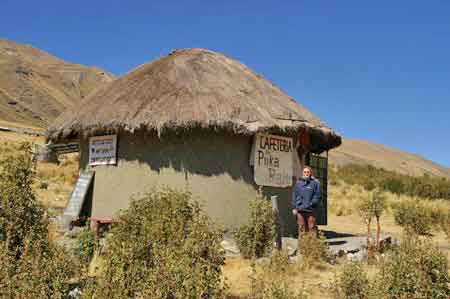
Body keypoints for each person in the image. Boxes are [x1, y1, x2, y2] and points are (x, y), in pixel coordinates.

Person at [291, 166, 321, 238]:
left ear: (310, 173)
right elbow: (294, 195)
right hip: (300, 210)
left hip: (311, 210)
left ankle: (312, 245)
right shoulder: (298, 183)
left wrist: (311, 204)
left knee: (312, 227)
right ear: (302, 173)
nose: (306, 173)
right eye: (305, 172)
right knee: (301, 227)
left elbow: (317, 196)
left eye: (308, 172)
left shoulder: (315, 183)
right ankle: (303, 245)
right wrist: (294, 207)